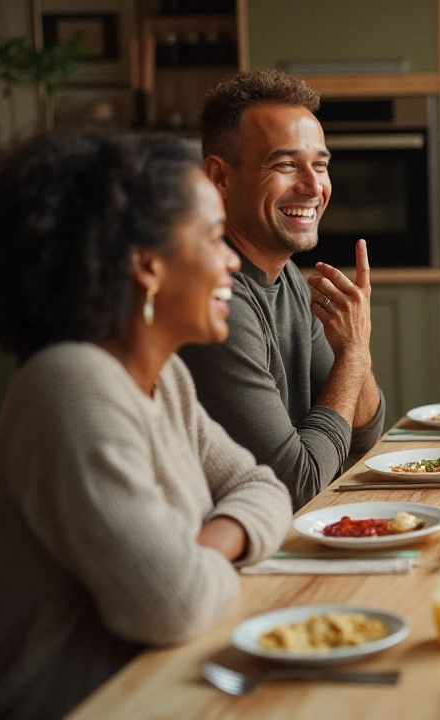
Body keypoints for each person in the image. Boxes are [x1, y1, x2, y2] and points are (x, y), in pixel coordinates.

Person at [0, 131, 292, 719]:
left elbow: (266, 487)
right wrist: (215, 551)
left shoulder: (167, 381)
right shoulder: (72, 384)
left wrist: (202, 545)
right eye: (213, 238)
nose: (232, 259)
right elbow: (173, 601)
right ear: (148, 265)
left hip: (175, 684)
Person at [180, 69, 385, 509]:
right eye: (286, 164)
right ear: (219, 177)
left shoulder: (287, 275)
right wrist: (353, 355)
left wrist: (356, 348)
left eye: (321, 165)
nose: (314, 187)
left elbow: (364, 435)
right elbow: (297, 485)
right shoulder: (216, 300)